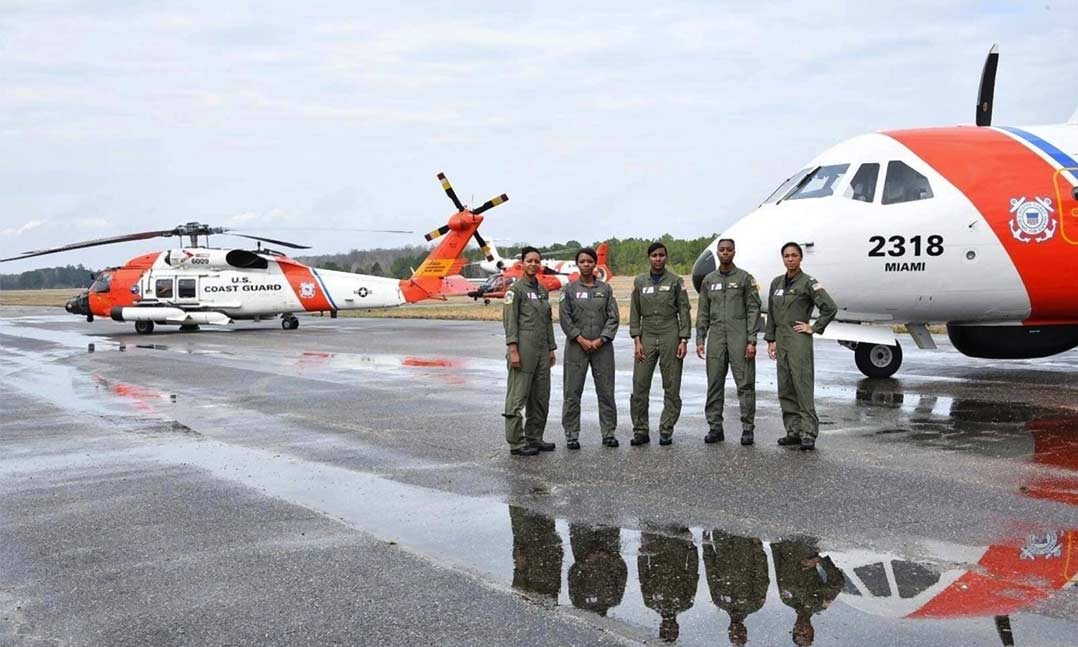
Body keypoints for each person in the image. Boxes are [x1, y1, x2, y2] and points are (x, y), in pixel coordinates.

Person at [764, 243, 837, 451]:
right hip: (781, 339)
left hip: (798, 340)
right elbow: (772, 314)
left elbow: (830, 308)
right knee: (785, 387)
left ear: (800, 258)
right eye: (786, 256)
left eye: (794, 255)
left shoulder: (808, 283)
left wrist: (814, 327)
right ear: (782, 259)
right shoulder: (776, 283)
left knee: (802, 386)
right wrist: (771, 340)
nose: (790, 259)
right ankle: (793, 431)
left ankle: (808, 432)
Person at [695, 238, 762, 446]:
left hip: (739, 336)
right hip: (716, 336)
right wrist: (700, 337)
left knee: (745, 383)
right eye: (722, 250)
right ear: (717, 252)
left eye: (729, 250)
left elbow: (753, 310)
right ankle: (715, 427)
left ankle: (748, 429)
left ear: (734, 252)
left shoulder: (745, 279)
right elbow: (703, 311)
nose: (725, 253)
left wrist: (752, 340)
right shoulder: (708, 280)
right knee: (714, 383)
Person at [629, 242, 692, 446]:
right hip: (647, 334)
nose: (658, 258)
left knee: (671, 385)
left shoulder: (675, 281)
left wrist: (683, 339)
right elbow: (635, 312)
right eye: (654, 255)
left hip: (670, 333)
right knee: (639, 385)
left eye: (661, 255)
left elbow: (684, 311)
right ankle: (640, 430)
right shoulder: (639, 282)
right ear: (649, 257)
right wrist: (636, 340)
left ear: (666, 257)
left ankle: (666, 429)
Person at [560, 247, 621, 449]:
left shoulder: (605, 289)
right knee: (572, 391)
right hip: (576, 347)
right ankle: (571, 434)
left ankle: (609, 433)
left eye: (590, 261)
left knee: (606, 391)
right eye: (582, 261)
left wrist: (601, 339)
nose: (586, 264)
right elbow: (565, 318)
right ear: (577, 264)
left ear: (595, 264)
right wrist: (580, 338)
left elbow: (613, 317)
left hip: (602, 348)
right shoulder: (568, 290)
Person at [503, 247, 558, 456]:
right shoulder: (515, 290)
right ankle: (516, 442)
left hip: (542, 349)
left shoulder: (541, 290)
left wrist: (551, 348)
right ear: (522, 263)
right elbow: (510, 322)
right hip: (523, 346)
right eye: (529, 261)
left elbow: (547, 322)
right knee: (518, 396)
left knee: (540, 395)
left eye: (537, 261)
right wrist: (513, 349)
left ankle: (535, 437)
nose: (533, 264)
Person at [773, 538, 844, 646]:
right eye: (805, 634)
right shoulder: (820, 603)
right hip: (805, 543)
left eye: (797, 633)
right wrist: (818, 561)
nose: (801, 631)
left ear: (793, 629)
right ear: (811, 630)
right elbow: (837, 582)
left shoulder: (786, 600)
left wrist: (775, 547)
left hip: (784, 543)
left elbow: (778, 570)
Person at [702, 530, 769, 646]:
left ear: (729, 630)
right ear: (745, 630)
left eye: (733, 635)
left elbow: (711, 572)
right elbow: (762, 575)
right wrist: (758, 547)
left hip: (723, 546)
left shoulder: (719, 601)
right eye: (740, 635)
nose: (736, 632)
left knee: (722, 514)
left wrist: (707, 545)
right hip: (745, 546)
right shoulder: (755, 604)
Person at [638, 523, 699, 642]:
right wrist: (691, 549)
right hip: (678, 548)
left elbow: (643, 575)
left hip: (655, 546)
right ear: (677, 627)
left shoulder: (650, 602)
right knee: (675, 515)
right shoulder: (686, 603)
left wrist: (643, 552)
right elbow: (692, 574)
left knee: (651, 518)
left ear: (661, 627)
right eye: (673, 630)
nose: (670, 627)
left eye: (666, 630)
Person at [568, 523, 627, 616]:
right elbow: (622, 571)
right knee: (609, 518)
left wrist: (587, 561)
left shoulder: (578, 602)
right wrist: (608, 557)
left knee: (579, 520)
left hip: (583, 550)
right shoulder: (614, 600)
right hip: (608, 548)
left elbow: (572, 576)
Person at [509, 505, 563, 600]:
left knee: (523, 512)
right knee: (540, 513)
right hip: (542, 557)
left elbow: (518, 589)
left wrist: (520, 570)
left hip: (532, 551)